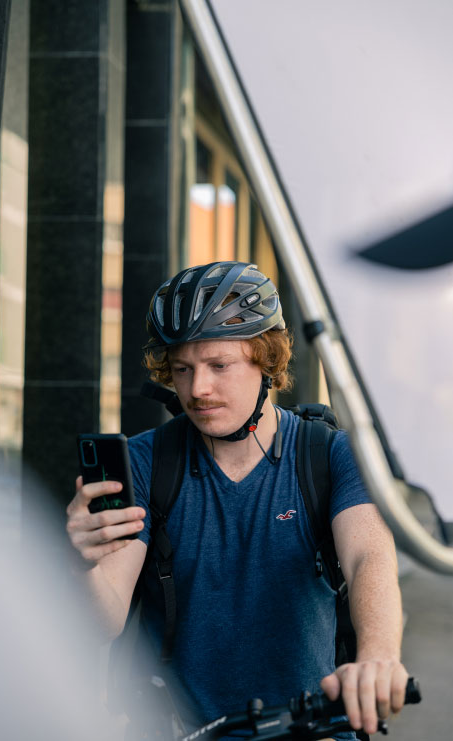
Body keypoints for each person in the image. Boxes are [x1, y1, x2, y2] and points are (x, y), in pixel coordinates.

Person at [66, 261, 409, 740]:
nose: (197, 389)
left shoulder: (328, 456)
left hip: (313, 729)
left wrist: (377, 657)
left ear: (267, 361)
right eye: (182, 369)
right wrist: (81, 562)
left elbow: (370, 558)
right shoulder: (146, 462)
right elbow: (104, 619)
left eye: (218, 366)